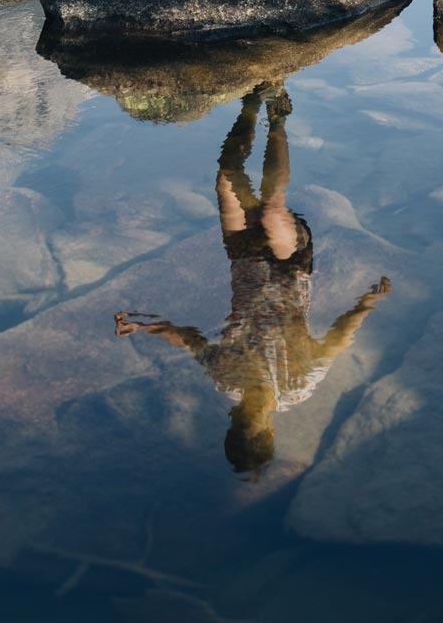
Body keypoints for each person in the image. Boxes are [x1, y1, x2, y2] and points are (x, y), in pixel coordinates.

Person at [114, 89, 391, 475]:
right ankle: (278, 118)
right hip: (289, 267)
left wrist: (145, 327)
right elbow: (336, 341)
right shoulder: (297, 385)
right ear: (269, 427)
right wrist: (366, 304)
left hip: (243, 260)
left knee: (227, 176)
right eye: (249, 421)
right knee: (273, 206)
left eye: (236, 420)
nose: (242, 410)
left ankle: (249, 104)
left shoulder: (227, 380)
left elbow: (191, 339)